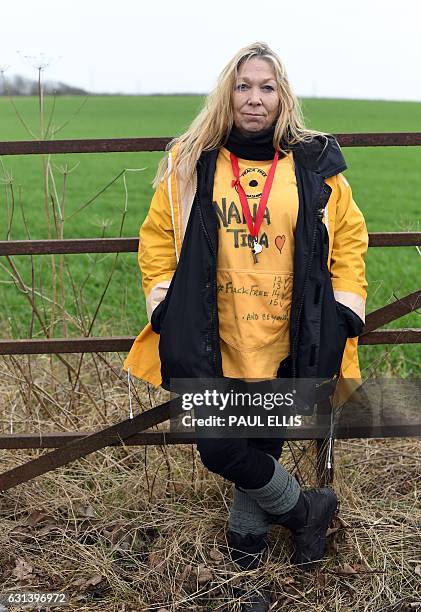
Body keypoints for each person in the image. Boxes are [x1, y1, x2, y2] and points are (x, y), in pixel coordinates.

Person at [124, 42, 368, 610]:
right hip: (215, 328)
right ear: (225, 95)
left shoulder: (314, 163)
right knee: (217, 444)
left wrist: (345, 307)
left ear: (283, 96)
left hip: (292, 329)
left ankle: (247, 551)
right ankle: (306, 509)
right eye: (243, 86)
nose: (254, 98)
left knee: (262, 440)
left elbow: (351, 235)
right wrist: (163, 303)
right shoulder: (192, 162)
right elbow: (157, 238)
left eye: (266, 87)